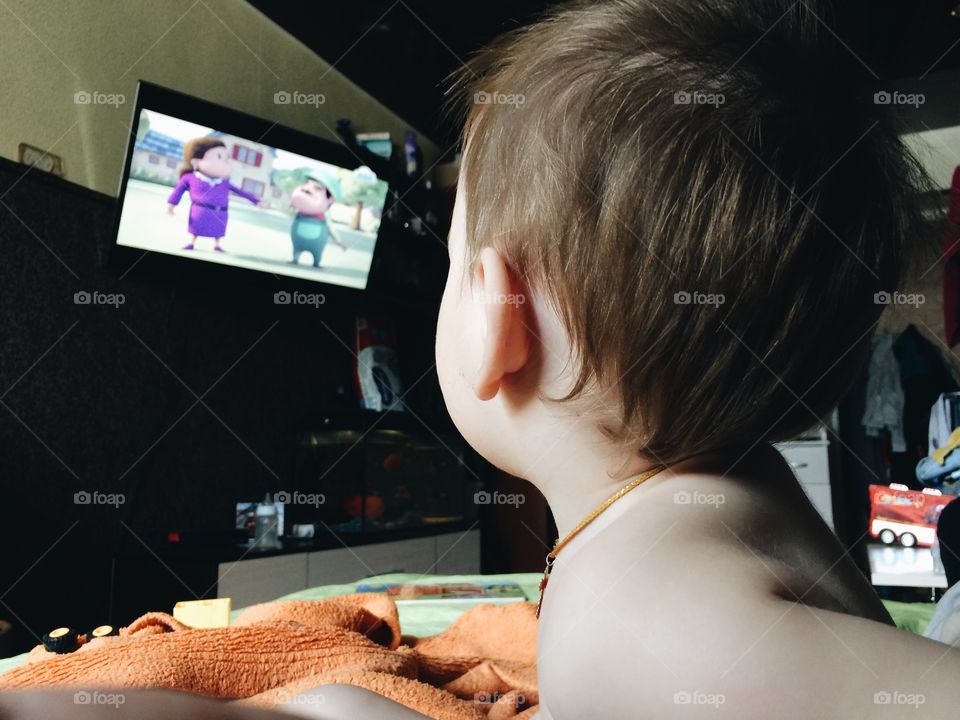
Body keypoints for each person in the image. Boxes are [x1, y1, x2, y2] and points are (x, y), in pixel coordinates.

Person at [4, 0, 958, 718]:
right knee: (332, 704)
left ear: (497, 319)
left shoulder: (650, 612)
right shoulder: (734, 490)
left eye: (457, 266)